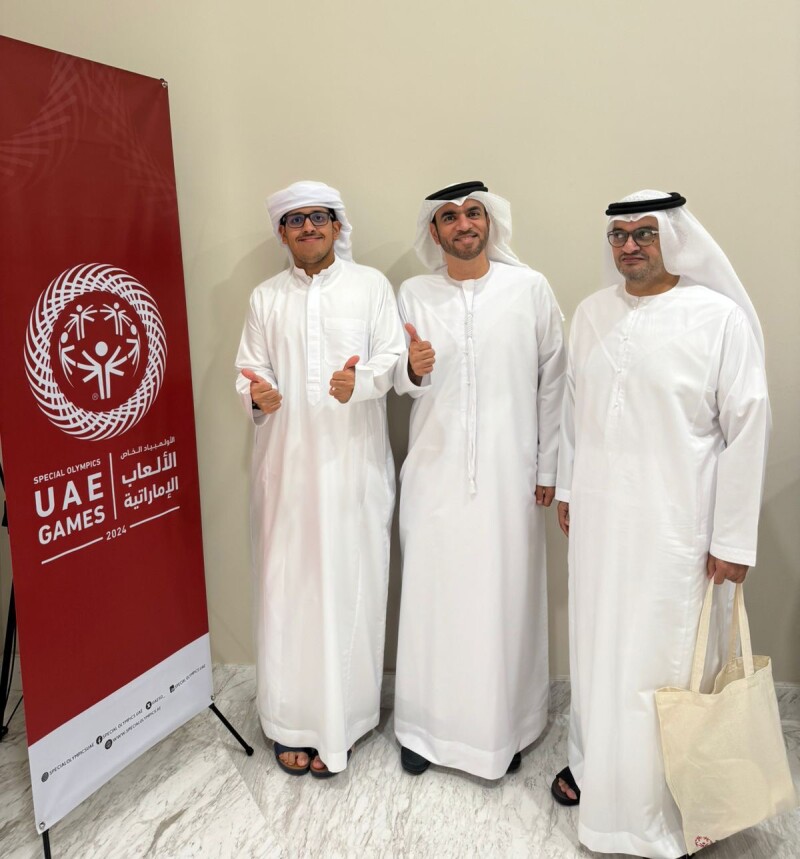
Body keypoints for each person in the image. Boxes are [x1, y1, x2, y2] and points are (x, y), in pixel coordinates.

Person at [552, 190, 770, 858]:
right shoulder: (591, 314)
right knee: (597, 649)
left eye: (644, 233)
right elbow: (572, 409)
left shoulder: (718, 319)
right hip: (598, 526)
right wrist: (567, 486)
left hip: (678, 533)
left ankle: (653, 803)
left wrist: (733, 538)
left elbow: (748, 426)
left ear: (674, 237)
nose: (629, 246)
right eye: (618, 234)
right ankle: (599, 769)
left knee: (660, 659)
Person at [392, 180, 566, 779]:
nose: (463, 224)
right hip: (435, 473)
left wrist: (548, 468)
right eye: (449, 217)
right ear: (433, 232)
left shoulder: (530, 289)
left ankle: (506, 730)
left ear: (490, 223)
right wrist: (410, 371)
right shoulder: (412, 294)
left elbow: (554, 381)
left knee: (503, 600)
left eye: (473, 213)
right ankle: (422, 731)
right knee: (432, 603)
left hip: (509, 478)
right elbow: (396, 378)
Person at [235, 180, 404, 778]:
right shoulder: (264, 298)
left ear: (337, 226)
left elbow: (391, 358)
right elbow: (248, 367)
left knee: (350, 580)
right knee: (290, 588)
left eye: (319, 218)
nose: (308, 228)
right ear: (283, 233)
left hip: (352, 467)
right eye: (295, 220)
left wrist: (357, 384)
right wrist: (257, 392)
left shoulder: (371, 287)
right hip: (285, 472)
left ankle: (347, 722)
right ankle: (288, 721)